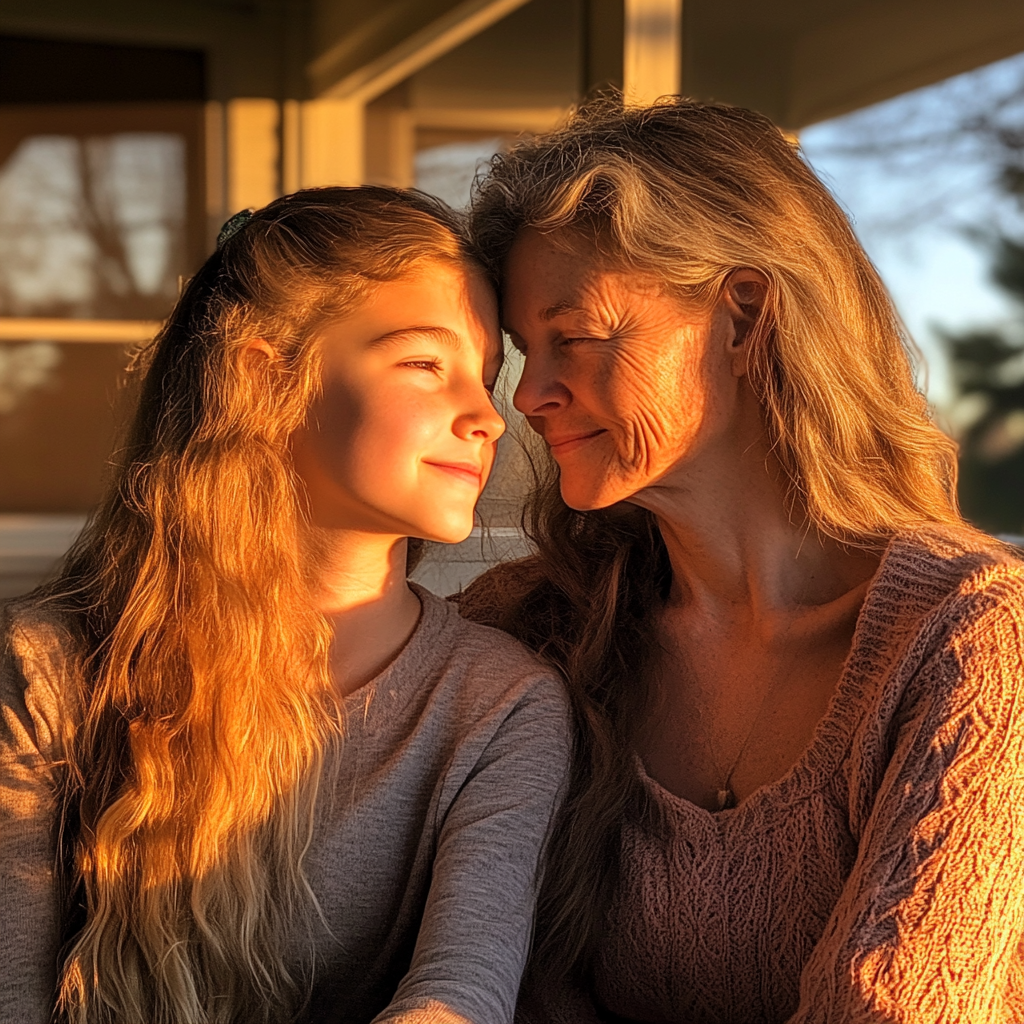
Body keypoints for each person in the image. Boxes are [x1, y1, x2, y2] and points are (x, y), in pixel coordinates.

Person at [457, 99, 1024, 1023]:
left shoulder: (972, 644)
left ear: (744, 313)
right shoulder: (533, 629)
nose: (530, 396)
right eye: (525, 351)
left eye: (579, 336)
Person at [0, 187, 570, 1024]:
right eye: (424, 363)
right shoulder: (47, 669)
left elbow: (461, 993)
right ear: (264, 378)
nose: (487, 416)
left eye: (486, 378)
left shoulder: (500, 706)